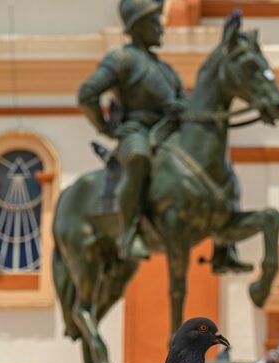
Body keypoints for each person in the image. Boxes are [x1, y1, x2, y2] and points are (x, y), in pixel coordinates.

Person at [78, 0, 186, 261]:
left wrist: (180, 108)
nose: (160, 28)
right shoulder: (121, 59)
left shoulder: (166, 70)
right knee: (138, 159)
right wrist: (106, 127)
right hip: (135, 131)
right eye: (154, 21)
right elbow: (88, 93)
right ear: (139, 25)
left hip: (167, 132)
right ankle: (129, 234)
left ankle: (221, 241)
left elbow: (187, 102)